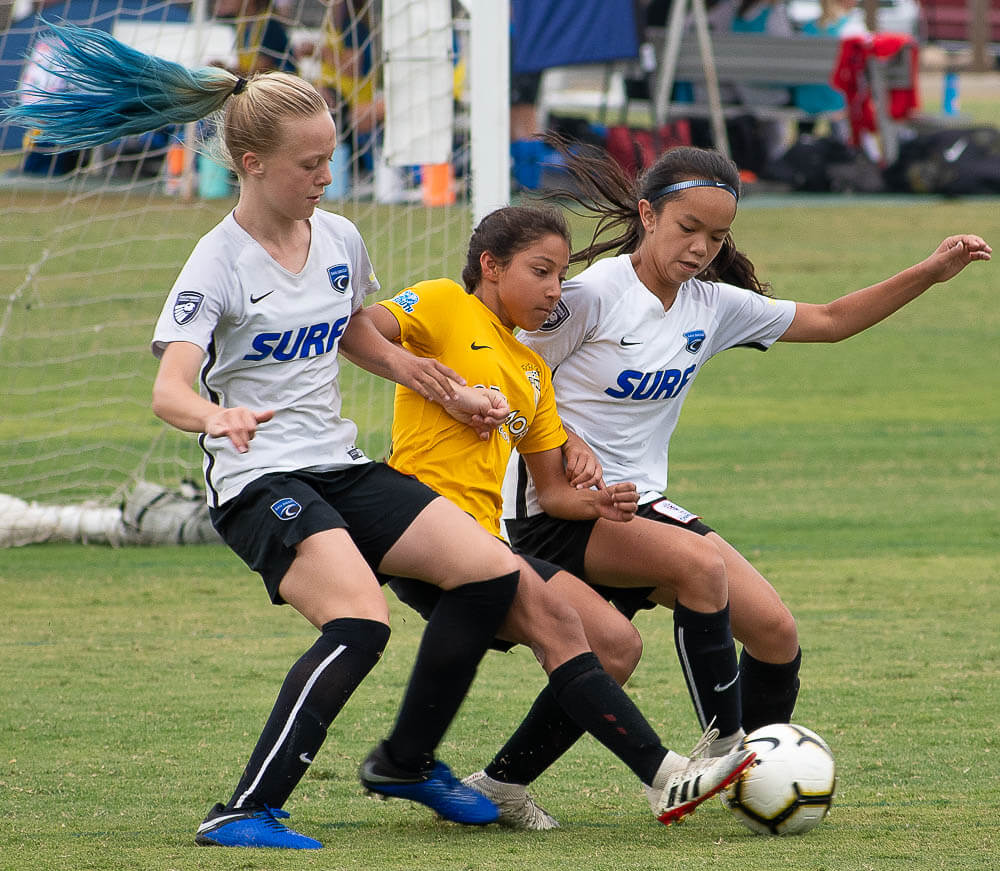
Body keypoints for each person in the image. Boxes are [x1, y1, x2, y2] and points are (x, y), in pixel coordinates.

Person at [2, 21, 537, 851]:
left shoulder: (340, 238)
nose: (326, 176)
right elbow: (168, 390)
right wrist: (216, 415)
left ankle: (406, 760)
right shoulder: (215, 262)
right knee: (360, 622)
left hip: (337, 462)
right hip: (259, 481)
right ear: (251, 164)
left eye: (331, 158)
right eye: (309, 164)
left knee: (490, 574)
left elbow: (352, 331)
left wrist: (436, 381)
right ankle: (243, 809)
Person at [492, 139, 990, 821]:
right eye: (687, 227)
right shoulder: (593, 296)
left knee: (774, 633)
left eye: (717, 235)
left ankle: (505, 784)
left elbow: (831, 321)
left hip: (638, 504)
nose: (700, 247)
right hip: (555, 509)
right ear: (647, 215)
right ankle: (723, 753)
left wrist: (929, 272)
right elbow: (510, 375)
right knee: (699, 569)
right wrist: (567, 440)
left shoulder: (711, 305)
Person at [354, 203, 756, 830]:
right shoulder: (442, 302)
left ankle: (484, 781)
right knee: (557, 630)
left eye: (561, 275)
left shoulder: (533, 372)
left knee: (617, 645)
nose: (554, 291)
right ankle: (664, 775)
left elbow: (555, 494)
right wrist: (440, 384)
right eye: (540, 271)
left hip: (485, 544)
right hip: (420, 527)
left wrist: (601, 503)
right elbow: (355, 329)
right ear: (491, 266)